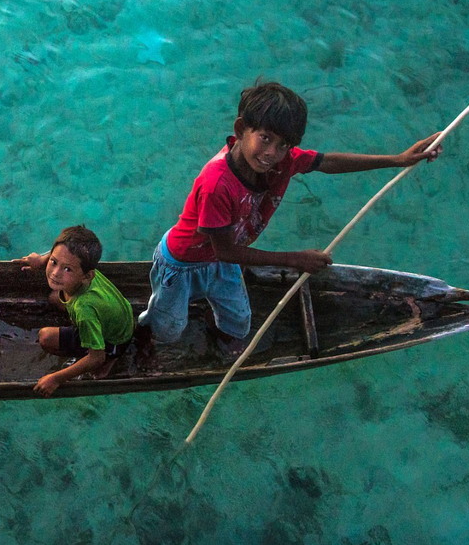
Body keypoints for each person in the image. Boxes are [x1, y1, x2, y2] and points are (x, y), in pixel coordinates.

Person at [138, 79, 443, 355]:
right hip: (182, 263)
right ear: (241, 128)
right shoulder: (216, 184)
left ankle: (215, 328)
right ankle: (144, 334)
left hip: (221, 263)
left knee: (239, 322)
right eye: (265, 138)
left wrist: (397, 160)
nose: (272, 153)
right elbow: (226, 250)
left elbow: (327, 162)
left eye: (283, 145)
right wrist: (294, 259)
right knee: (167, 329)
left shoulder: (283, 162)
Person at [13, 225, 134, 396]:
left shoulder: (84, 310)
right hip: (120, 316)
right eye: (53, 262)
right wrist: (41, 260)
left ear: (87, 276)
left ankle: (111, 359)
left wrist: (56, 378)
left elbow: (95, 357)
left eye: (67, 269)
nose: (55, 273)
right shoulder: (82, 265)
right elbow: (63, 252)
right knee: (55, 297)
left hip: (113, 341)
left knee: (46, 337)